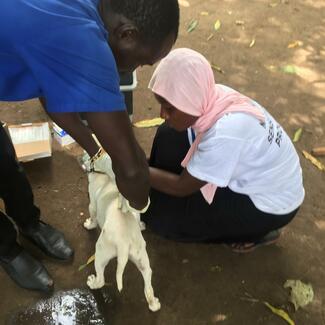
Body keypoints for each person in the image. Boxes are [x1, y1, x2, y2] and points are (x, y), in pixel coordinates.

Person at [0, 0, 179, 292]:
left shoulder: (89, 12)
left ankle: (29, 223)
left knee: (6, 163)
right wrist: (138, 204)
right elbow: (133, 169)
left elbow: (49, 87)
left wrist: (98, 151)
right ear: (127, 34)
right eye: (141, 61)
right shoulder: (83, 42)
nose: (134, 68)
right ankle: (7, 248)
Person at [141, 48, 305, 252]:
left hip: (269, 206)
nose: (162, 113)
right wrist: (146, 167)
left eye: (169, 107)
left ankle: (257, 232)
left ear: (189, 101)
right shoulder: (210, 95)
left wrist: (134, 169)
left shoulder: (225, 133)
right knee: (169, 134)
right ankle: (157, 190)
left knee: (161, 220)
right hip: (264, 175)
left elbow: (181, 187)